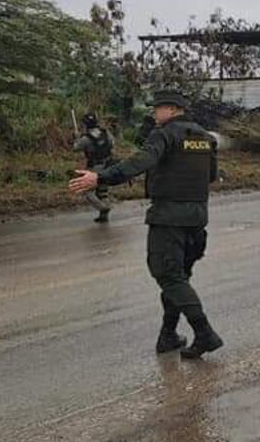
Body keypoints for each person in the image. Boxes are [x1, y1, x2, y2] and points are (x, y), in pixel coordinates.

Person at [69, 89, 223, 359]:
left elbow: (142, 161)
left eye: (157, 108)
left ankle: (205, 333)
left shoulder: (164, 134)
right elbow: (211, 175)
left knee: (168, 275)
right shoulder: (205, 137)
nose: (154, 113)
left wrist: (101, 177)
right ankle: (168, 335)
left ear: (172, 109)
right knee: (178, 278)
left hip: (168, 217)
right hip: (198, 218)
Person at [73, 113, 116, 223]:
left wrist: (77, 137)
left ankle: (103, 208)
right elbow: (112, 143)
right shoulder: (106, 133)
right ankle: (104, 215)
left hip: (95, 167)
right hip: (108, 165)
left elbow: (76, 148)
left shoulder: (86, 138)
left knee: (88, 191)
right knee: (102, 191)